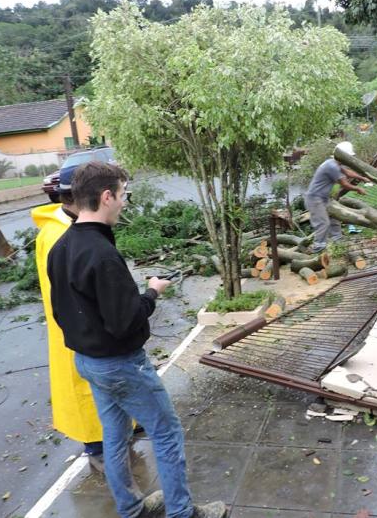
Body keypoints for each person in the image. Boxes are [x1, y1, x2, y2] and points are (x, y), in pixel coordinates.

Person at [47, 161, 226, 518]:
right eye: (124, 195)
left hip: (88, 362)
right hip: (120, 364)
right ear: (107, 196)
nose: (125, 203)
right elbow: (125, 322)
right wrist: (152, 293)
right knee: (166, 433)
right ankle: (182, 512)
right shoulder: (101, 254)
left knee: (114, 436)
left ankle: (131, 509)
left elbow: (60, 312)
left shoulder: (61, 246)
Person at [31, 163, 107, 472]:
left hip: (81, 323)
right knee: (84, 388)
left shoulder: (69, 226)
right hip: (78, 327)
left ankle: (113, 433)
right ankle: (96, 447)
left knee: (98, 386)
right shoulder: (59, 235)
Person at [304, 141, 369, 253]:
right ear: (343, 155)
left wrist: (362, 178)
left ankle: (338, 242)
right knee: (323, 223)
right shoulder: (332, 166)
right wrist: (358, 188)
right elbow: (344, 183)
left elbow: (347, 172)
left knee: (334, 217)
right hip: (315, 199)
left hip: (323, 198)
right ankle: (318, 248)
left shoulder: (333, 163)